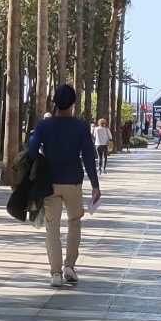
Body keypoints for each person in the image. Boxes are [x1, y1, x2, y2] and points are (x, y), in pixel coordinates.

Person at [26, 84, 101, 288]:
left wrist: (38, 159)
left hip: (50, 182)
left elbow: (32, 150)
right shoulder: (80, 127)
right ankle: (69, 266)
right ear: (73, 103)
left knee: (52, 226)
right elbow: (88, 157)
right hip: (73, 182)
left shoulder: (44, 126)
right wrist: (95, 185)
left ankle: (55, 273)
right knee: (75, 221)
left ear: (55, 102)